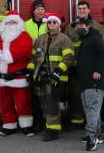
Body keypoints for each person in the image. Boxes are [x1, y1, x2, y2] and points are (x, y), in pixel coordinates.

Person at [26, 13, 74, 141]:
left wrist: (58, 71)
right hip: (41, 77)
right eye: (50, 22)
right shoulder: (40, 39)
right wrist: (30, 71)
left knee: (52, 103)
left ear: (59, 24)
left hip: (56, 77)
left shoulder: (64, 39)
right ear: (47, 24)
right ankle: (48, 125)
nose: (52, 25)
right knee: (43, 102)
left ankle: (53, 130)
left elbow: (68, 58)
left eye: (54, 22)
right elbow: (33, 57)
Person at [0, 10, 34, 137]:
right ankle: (9, 124)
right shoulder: (0, 36)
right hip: (2, 77)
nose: (11, 24)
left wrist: (5, 56)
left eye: (14, 21)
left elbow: (24, 50)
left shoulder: (24, 35)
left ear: (19, 23)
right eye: (8, 21)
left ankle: (26, 125)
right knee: (5, 102)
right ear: (4, 23)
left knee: (23, 102)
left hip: (18, 76)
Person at [64, 1, 104, 127]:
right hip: (75, 66)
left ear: (89, 10)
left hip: (91, 68)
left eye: (84, 8)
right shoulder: (70, 27)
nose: (82, 10)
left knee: (92, 98)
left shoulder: (98, 27)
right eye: (79, 8)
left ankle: (93, 127)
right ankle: (78, 120)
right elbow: (66, 46)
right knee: (76, 94)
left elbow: (103, 50)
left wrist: (100, 69)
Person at [73, 16, 104, 151]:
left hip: (94, 83)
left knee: (92, 110)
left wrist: (98, 70)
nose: (78, 28)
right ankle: (97, 134)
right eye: (76, 26)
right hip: (85, 83)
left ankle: (91, 138)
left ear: (88, 25)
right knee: (93, 110)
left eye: (80, 25)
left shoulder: (95, 38)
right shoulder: (86, 39)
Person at [24, 0, 46, 132]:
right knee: (33, 95)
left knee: (46, 95)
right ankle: (36, 121)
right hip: (31, 62)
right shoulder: (26, 25)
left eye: (42, 9)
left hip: (45, 64)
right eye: (38, 9)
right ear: (33, 11)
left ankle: (46, 121)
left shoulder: (49, 23)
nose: (40, 11)